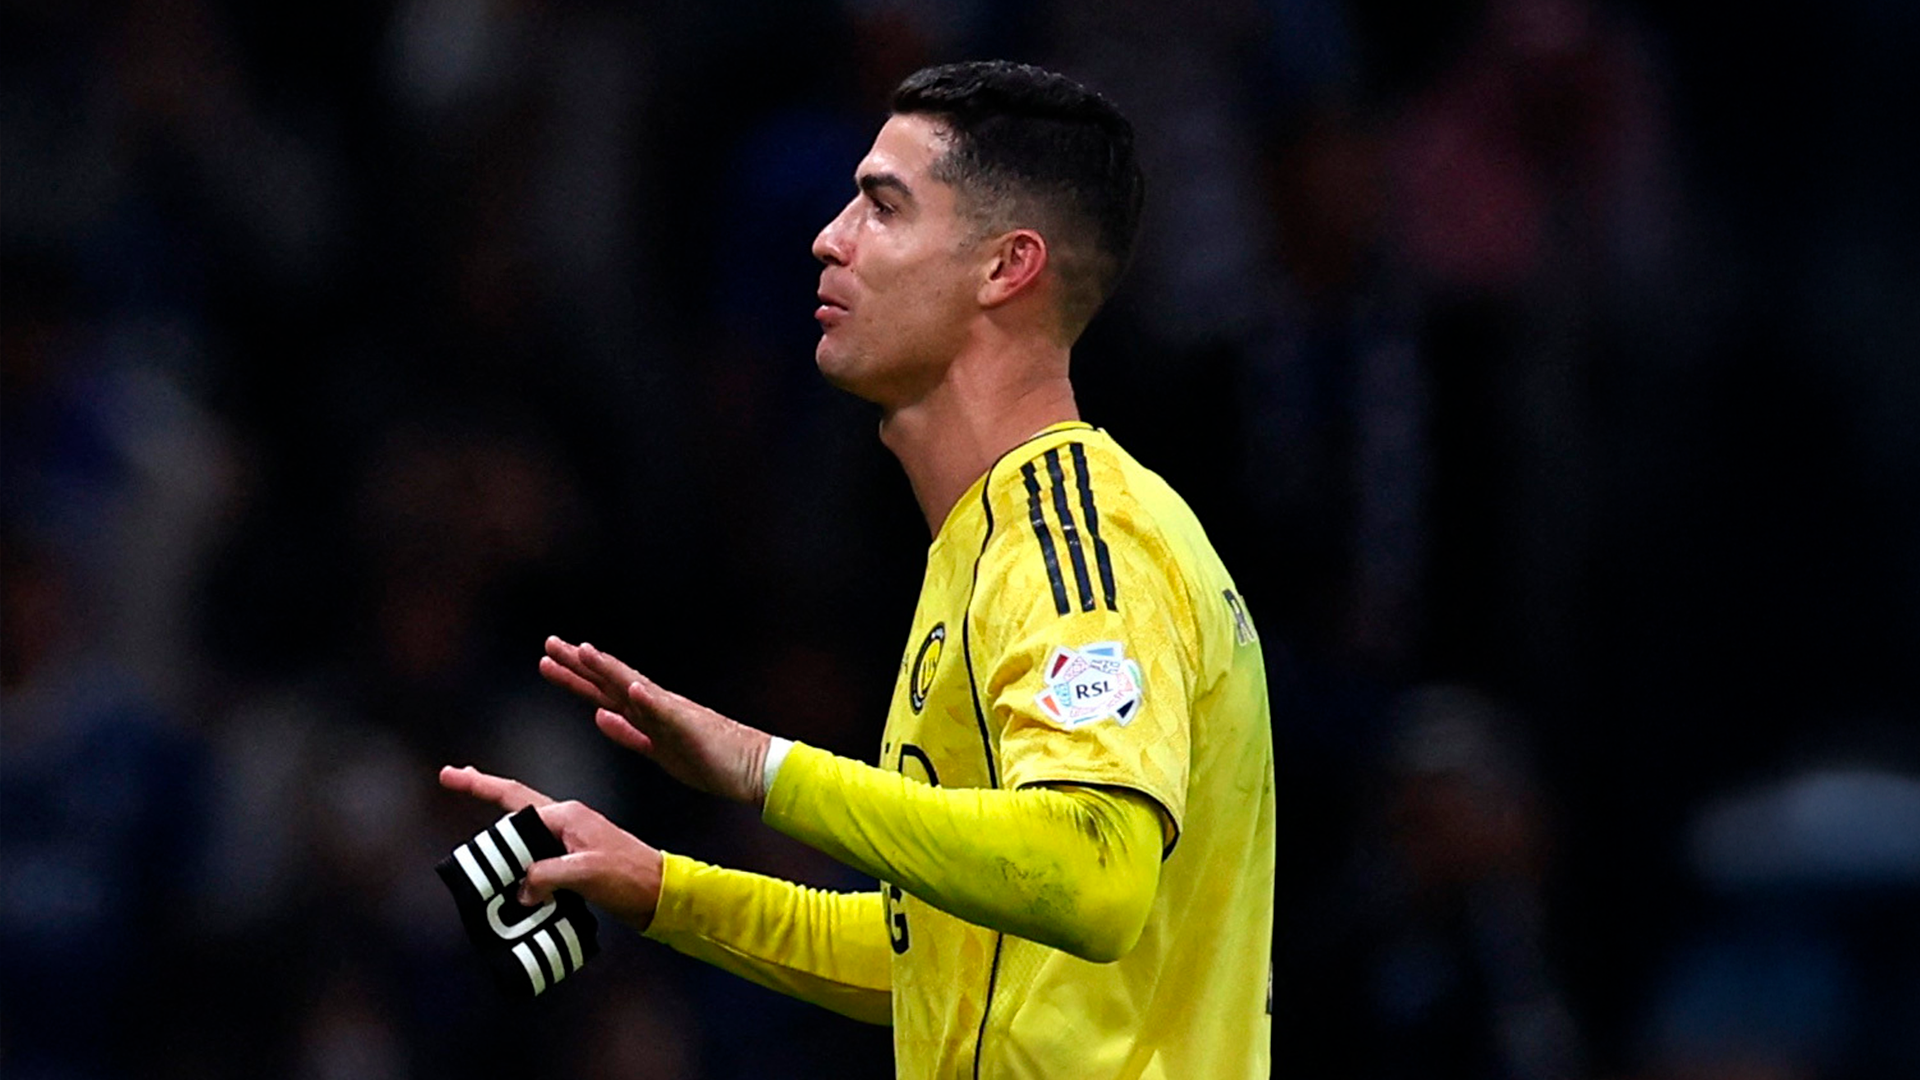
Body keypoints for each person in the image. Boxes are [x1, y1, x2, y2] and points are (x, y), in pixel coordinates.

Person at [441, 59, 1275, 1078]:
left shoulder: (1080, 536)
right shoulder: (990, 543)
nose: (828, 238)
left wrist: (763, 769)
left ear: (1006, 267)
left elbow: (1096, 874)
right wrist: (662, 887)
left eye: (882, 207)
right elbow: (943, 963)